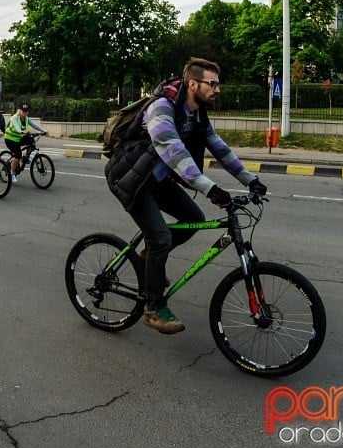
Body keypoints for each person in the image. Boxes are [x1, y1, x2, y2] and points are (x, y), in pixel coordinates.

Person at [104, 57, 267, 334]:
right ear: (193, 83)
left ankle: (147, 259)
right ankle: (153, 308)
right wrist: (209, 188)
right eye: (212, 84)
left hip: (154, 178)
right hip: (130, 178)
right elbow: (173, 151)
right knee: (161, 238)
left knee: (193, 217)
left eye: (218, 84)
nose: (218, 89)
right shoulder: (161, 109)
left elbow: (220, 149)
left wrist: (250, 179)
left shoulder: (197, 113)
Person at [4, 102, 47, 181]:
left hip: (18, 139)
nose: (25, 113)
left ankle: (25, 158)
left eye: (26, 111)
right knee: (18, 155)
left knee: (31, 139)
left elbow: (34, 125)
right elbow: (17, 128)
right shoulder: (14, 118)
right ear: (19, 110)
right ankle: (12, 173)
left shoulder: (26, 118)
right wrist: (23, 132)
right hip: (10, 139)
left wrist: (44, 131)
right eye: (23, 111)